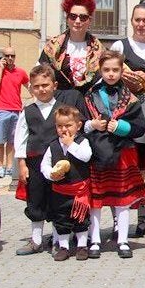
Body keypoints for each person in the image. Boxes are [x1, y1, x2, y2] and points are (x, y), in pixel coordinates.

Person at [81, 51, 145, 259]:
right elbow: (79, 123)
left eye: (115, 70)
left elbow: (140, 127)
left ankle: (123, 240)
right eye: (106, 70)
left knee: (123, 200)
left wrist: (120, 126)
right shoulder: (89, 95)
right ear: (100, 70)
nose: (111, 74)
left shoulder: (131, 97)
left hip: (123, 152)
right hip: (97, 153)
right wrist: (92, 124)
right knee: (96, 201)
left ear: (122, 71)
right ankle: (95, 241)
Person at [13, 64, 85, 256]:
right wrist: (21, 164)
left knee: (57, 201)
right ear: (31, 88)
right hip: (35, 163)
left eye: (45, 85)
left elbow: (72, 132)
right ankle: (36, 240)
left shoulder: (62, 111)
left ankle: (57, 240)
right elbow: (20, 139)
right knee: (35, 200)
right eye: (36, 86)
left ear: (54, 85)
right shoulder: (27, 111)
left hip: (58, 163)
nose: (41, 89)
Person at [109, 0, 145, 238]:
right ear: (131, 21)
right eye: (138, 19)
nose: (141, 24)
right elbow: (109, 72)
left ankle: (143, 219)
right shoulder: (120, 46)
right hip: (126, 113)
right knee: (122, 166)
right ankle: (117, 223)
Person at [40, 106, 93, 261]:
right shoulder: (53, 145)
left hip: (79, 191)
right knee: (61, 219)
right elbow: (44, 165)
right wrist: (51, 174)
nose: (64, 129)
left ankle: (82, 246)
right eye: (60, 126)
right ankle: (63, 247)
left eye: (68, 125)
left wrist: (71, 144)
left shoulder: (82, 142)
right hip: (60, 190)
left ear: (78, 126)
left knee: (81, 219)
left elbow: (86, 157)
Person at [40, 0, 105, 94]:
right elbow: (40, 76)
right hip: (59, 103)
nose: (78, 21)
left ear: (89, 21)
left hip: (88, 104)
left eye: (83, 17)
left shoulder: (99, 50)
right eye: (73, 16)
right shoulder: (52, 47)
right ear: (67, 19)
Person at [0, 46, 28, 179]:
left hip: (16, 110)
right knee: (0, 141)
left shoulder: (21, 72)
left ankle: (9, 166)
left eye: (12, 56)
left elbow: (29, 86)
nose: (10, 58)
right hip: (1, 110)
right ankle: (0, 166)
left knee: (12, 141)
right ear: (3, 57)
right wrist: (1, 68)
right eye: (7, 55)